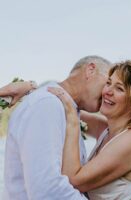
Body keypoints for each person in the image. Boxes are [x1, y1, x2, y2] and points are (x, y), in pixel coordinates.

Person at [1, 60, 131, 199]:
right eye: (108, 83)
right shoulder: (108, 129)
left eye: (119, 88)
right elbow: (59, 102)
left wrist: (73, 120)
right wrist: (31, 88)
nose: (107, 91)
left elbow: (74, 180)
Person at [1, 55, 111, 200]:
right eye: (108, 82)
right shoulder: (48, 105)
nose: (108, 92)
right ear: (90, 70)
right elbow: (47, 190)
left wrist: (31, 87)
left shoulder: (63, 108)